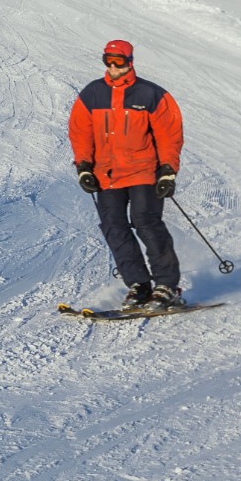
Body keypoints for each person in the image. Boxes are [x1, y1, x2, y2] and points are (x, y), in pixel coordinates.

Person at [69, 39, 184, 308]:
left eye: (118, 62)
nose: (112, 67)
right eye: (107, 61)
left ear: (129, 62)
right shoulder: (92, 94)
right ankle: (139, 285)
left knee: (145, 221)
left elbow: (170, 134)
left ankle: (167, 285)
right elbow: (80, 132)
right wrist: (83, 167)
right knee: (114, 227)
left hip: (144, 171)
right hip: (107, 174)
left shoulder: (151, 95)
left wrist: (168, 170)